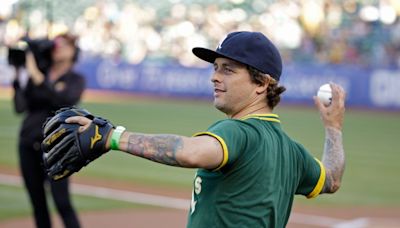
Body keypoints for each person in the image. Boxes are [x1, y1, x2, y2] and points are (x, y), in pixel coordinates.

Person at [44, 31, 346, 227]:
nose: (215, 77)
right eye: (214, 68)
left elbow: (191, 152)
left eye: (228, 69)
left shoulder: (240, 132)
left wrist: (111, 137)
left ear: (262, 84)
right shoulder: (291, 151)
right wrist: (333, 128)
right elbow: (331, 178)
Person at [12, 33, 84, 228]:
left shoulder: (75, 79)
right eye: (55, 45)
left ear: (74, 52)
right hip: (28, 143)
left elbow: (64, 101)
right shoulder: (40, 71)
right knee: (38, 204)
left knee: (62, 203)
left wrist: (37, 77)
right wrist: (19, 76)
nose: (57, 48)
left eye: (64, 45)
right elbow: (19, 107)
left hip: (57, 147)